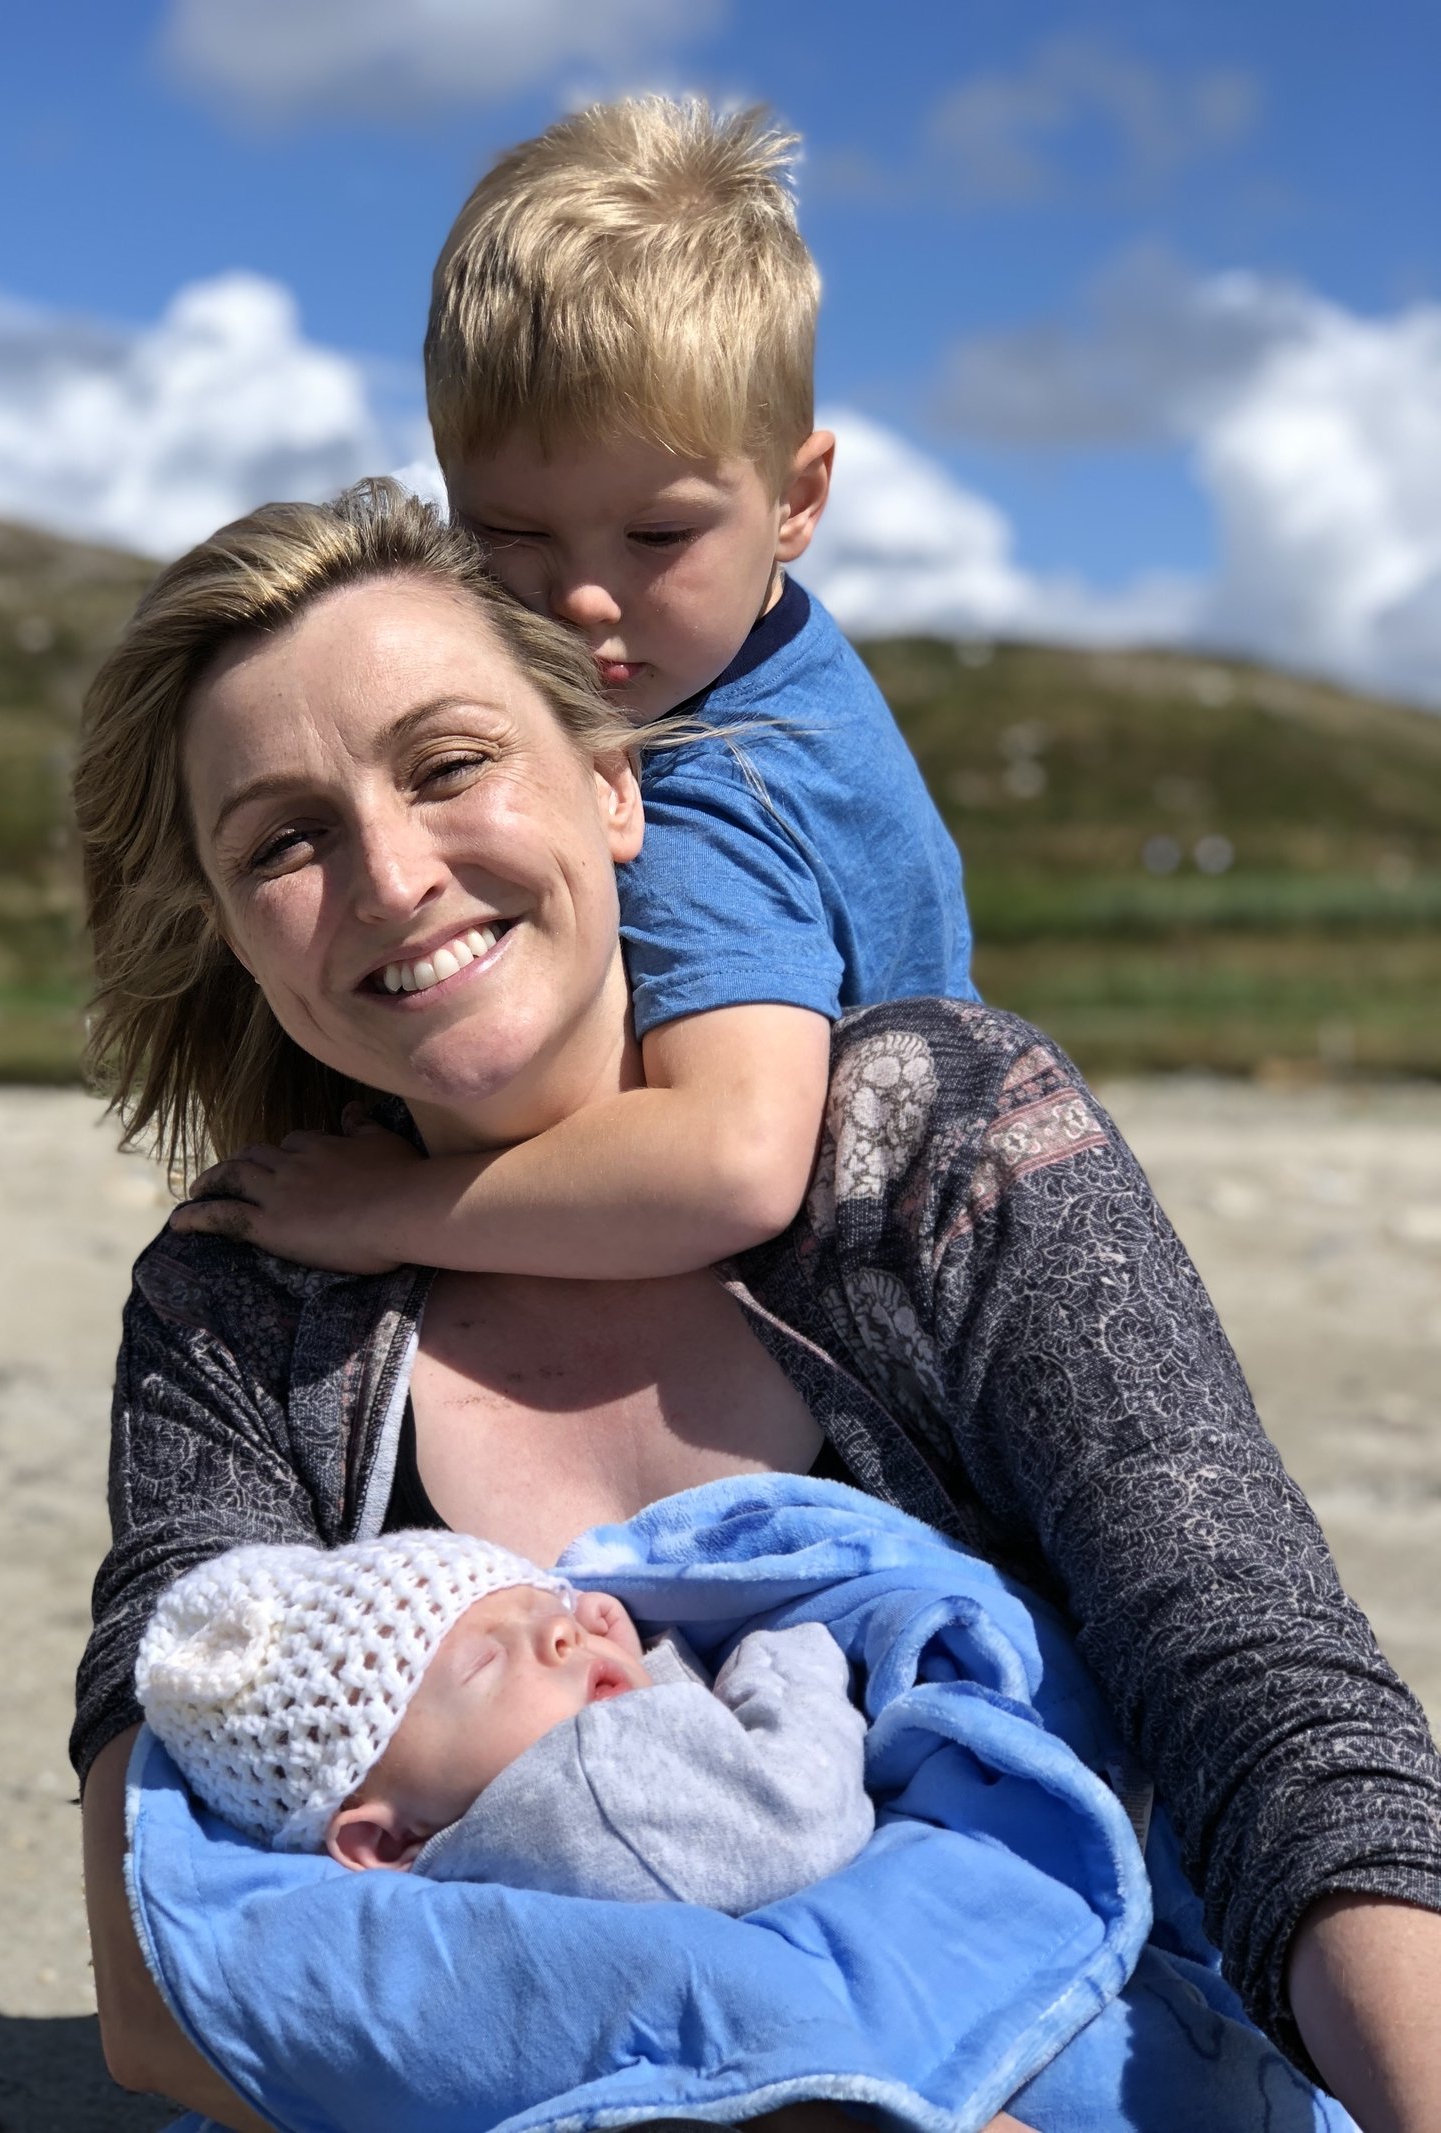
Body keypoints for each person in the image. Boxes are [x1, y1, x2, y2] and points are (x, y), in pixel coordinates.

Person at [72, 480, 1441, 2133]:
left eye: (448, 763)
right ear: (229, 931)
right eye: (283, 839)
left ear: (610, 784)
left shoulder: (939, 1140)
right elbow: (164, 1981)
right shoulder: (244, 1306)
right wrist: (814, 2097)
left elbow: (1256, 1683)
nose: (390, 870)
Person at [168, 97, 977, 1288]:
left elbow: (735, 1161)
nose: (584, 598)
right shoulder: (761, 641)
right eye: (513, 532)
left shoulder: (702, 791)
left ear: (797, 502)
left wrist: (392, 1208)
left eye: (656, 535)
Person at [135, 1528, 874, 1909]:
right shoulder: (587, 1791)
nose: (564, 1631)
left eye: (549, 1607)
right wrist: (783, 1655)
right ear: (385, 1837)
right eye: (486, 1663)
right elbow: (795, 1813)